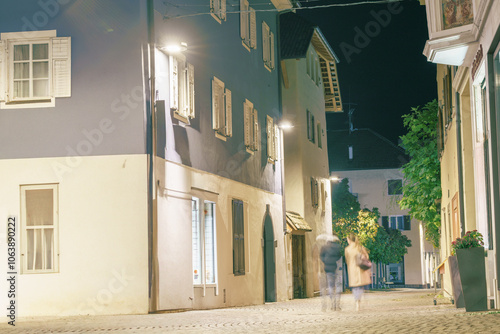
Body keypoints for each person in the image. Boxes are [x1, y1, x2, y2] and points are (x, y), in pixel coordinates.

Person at [344, 233, 372, 311]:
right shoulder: (360, 247)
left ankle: (357, 302)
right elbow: (367, 257)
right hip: (361, 270)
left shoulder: (347, 249)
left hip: (352, 270)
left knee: (355, 287)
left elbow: (347, 260)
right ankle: (363, 301)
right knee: (361, 286)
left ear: (348, 239)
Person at [319, 235, 342, 311]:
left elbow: (321, 256)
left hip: (327, 268)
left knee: (330, 286)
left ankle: (333, 303)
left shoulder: (324, 247)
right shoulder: (336, 247)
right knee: (337, 285)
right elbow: (339, 256)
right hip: (335, 267)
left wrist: (325, 261)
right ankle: (336, 303)